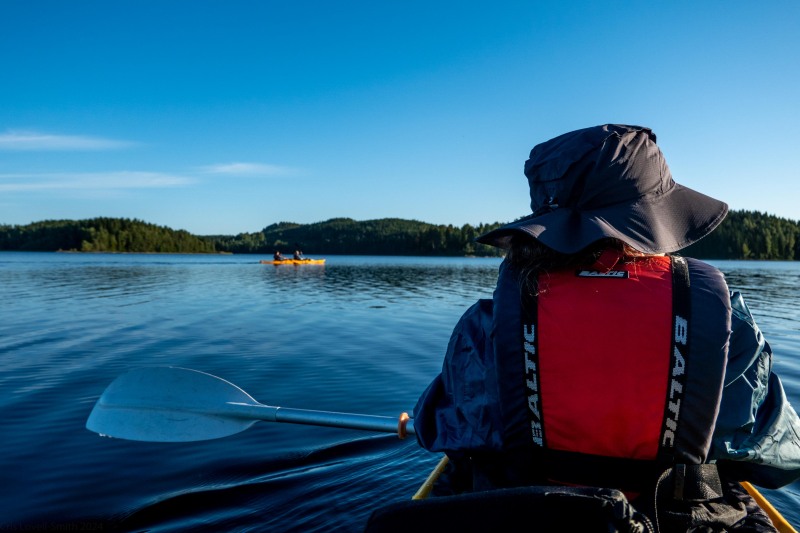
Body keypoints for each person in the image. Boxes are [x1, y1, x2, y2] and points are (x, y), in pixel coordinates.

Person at [412, 125, 800, 531]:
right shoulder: (726, 325)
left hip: (529, 515)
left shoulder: (488, 325)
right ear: (655, 223)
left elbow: (437, 427)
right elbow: (780, 460)